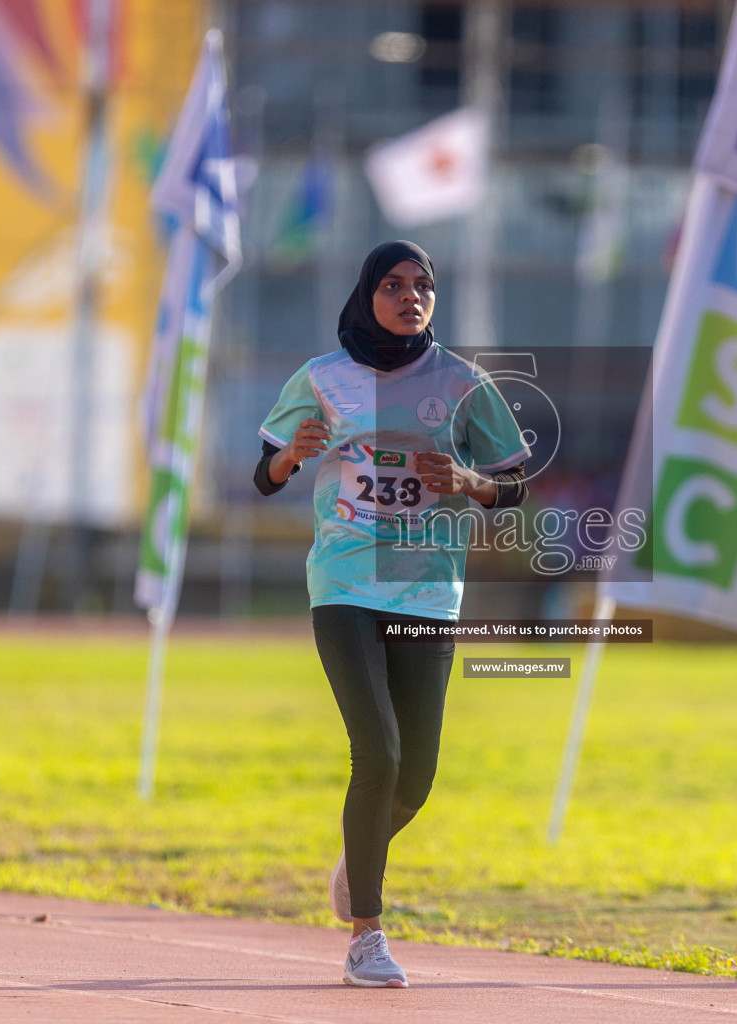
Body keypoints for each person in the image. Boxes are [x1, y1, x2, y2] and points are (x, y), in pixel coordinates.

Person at [253, 241, 531, 988]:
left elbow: (513, 487)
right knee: (376, 751)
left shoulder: (465, 385)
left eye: (424, 286)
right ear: (366, 294)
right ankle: (366, 935)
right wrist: (291, 458)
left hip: (429, 593)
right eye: (395, 285)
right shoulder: (323, 378)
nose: (412, 296)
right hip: (345, 583)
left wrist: (467, 481)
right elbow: (266, 472)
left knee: (416, 779)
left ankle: (358, 854)